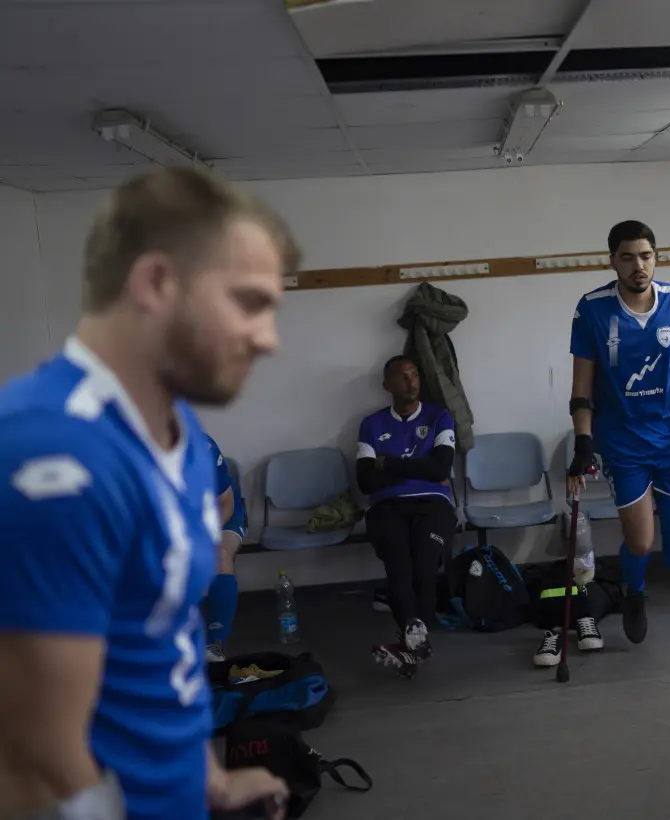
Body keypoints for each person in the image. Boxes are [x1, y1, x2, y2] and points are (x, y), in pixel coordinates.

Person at [0, 167, 298, 820]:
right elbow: (34, 755)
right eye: (249, 303)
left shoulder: (181, 438)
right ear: (157, 284)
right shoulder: (53, 454)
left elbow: (165, 641)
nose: (268, 338)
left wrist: (211, 785)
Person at [566, 220, 670, 644]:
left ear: (656, 257)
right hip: (622, 444)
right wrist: (583, 442)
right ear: (612, 261)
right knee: (640, 541)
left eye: (646, 255)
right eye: (628, 257)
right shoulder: (592, 308)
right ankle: (633, 592)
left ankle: (646, 576)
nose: (639, 265)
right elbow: (581, 388)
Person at [356, 355, 457, 678]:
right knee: (399, 565)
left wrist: (389, 464)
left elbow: (441, 468)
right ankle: (414, 643)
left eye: (414, 375)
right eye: (403, 377)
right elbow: (365, 481)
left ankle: (411, 642)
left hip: (434, 503)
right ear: (388, 385)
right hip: (387, 506)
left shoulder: (439, 416)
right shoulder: (371, 425)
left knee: (426, 565)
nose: (411, 382)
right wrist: (420, 469)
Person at [203, 432, 247, 663]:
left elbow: (225, 505)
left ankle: (215, 641)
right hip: (169, 522)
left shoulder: (202, 446)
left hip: (219, 518)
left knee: (218, 555)